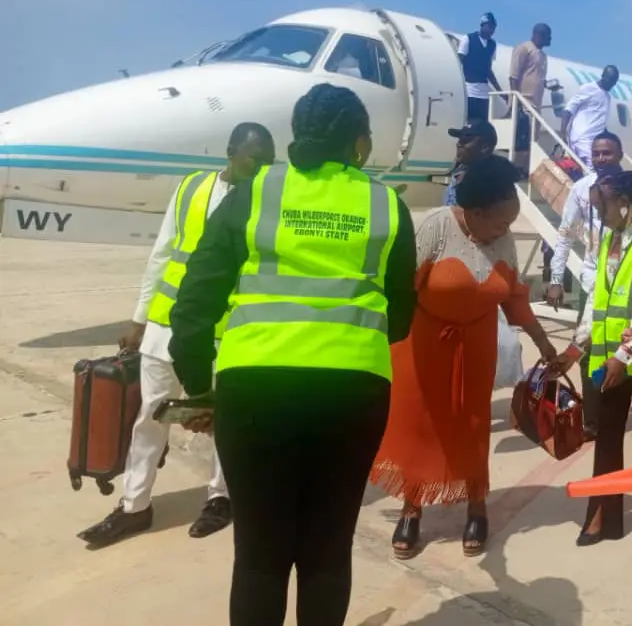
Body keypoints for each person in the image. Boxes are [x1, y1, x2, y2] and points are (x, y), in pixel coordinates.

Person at [168, 84, 418, 626]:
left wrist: (198, 389)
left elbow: (193, 304)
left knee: (259, 557)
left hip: (254, 389)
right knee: (327, 551)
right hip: (352, 393)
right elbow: (399, 318)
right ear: (358, 144)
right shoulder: (386, 204)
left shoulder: (254, 192)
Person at [76, 122, 276, 549]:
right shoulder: (190, 189)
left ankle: (220, 498)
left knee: (224, 418)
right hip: (166, 327)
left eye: (267, 163)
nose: (259, 170)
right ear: (230, 153)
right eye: (252, 161)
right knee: (151, 415)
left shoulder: (266, 200)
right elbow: (163, 251)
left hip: (228, 332)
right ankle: (135, 506)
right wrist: (139, 317)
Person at [370, 154, 558, 560]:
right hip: (423, 343)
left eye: (509, 223)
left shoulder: (501, 240)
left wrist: (542, 341)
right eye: (498, 223)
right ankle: (413, 505)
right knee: (421, 425)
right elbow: (401, 287)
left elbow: (514, 298)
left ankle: (476, 503)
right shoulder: (437, 227)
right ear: (471, 212)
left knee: (472, 426)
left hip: (476, 346)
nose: (504, 232)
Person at [562, 170, 632, 546]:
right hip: (609, 358)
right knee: (607, 437)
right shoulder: (609, 238)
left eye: (602, 207)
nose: (599, 216)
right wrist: (578, 345)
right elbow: (598, 298)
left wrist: (625, 355)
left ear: (624, 202)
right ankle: (602, 514)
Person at [546, 131, 625, 439]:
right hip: (593, 279)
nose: (602, 158)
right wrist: (555, 279)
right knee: (588, 350)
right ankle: (592, 419)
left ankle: (614, 410)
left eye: (608, 152)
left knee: (623, 350)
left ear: (619, 154)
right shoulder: (581, 189)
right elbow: (565, 233)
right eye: (597, 153)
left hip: (625, 280)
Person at [560, 64, 619, 169]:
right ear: (603, 76)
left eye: (614, 82)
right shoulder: (589, 88)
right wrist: (563, 133)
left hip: (594, 140)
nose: (611, 85)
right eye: (610, 81)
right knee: (593, 166)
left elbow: (601, 121)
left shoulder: (607, 96)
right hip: (582, 138)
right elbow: (569, 109)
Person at [509, 23, 552, 153]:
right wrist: (516, 101)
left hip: (536, 105)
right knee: (521, 141)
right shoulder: (524, 49)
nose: (550, 40)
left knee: (532, 141)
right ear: (539, 35)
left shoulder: (543, 56)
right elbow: (513, 76)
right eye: (548, 36)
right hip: (524, 104)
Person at [444, 120, 498, 206]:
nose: (458, 144)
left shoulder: (488, 181)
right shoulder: (461, 172)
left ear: (485, 147)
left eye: (464, 141)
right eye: (459, 140)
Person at [459, 13, 501, 122]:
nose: (492, 31)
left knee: (481, 124)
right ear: (482, 25)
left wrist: (500, 91)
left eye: (494, 28)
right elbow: (459, 61)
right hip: (469, 89)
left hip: (483, 93)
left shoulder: (492, 45)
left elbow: (488, 70)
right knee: (468, 122)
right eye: (490, 27)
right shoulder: (468, 39)